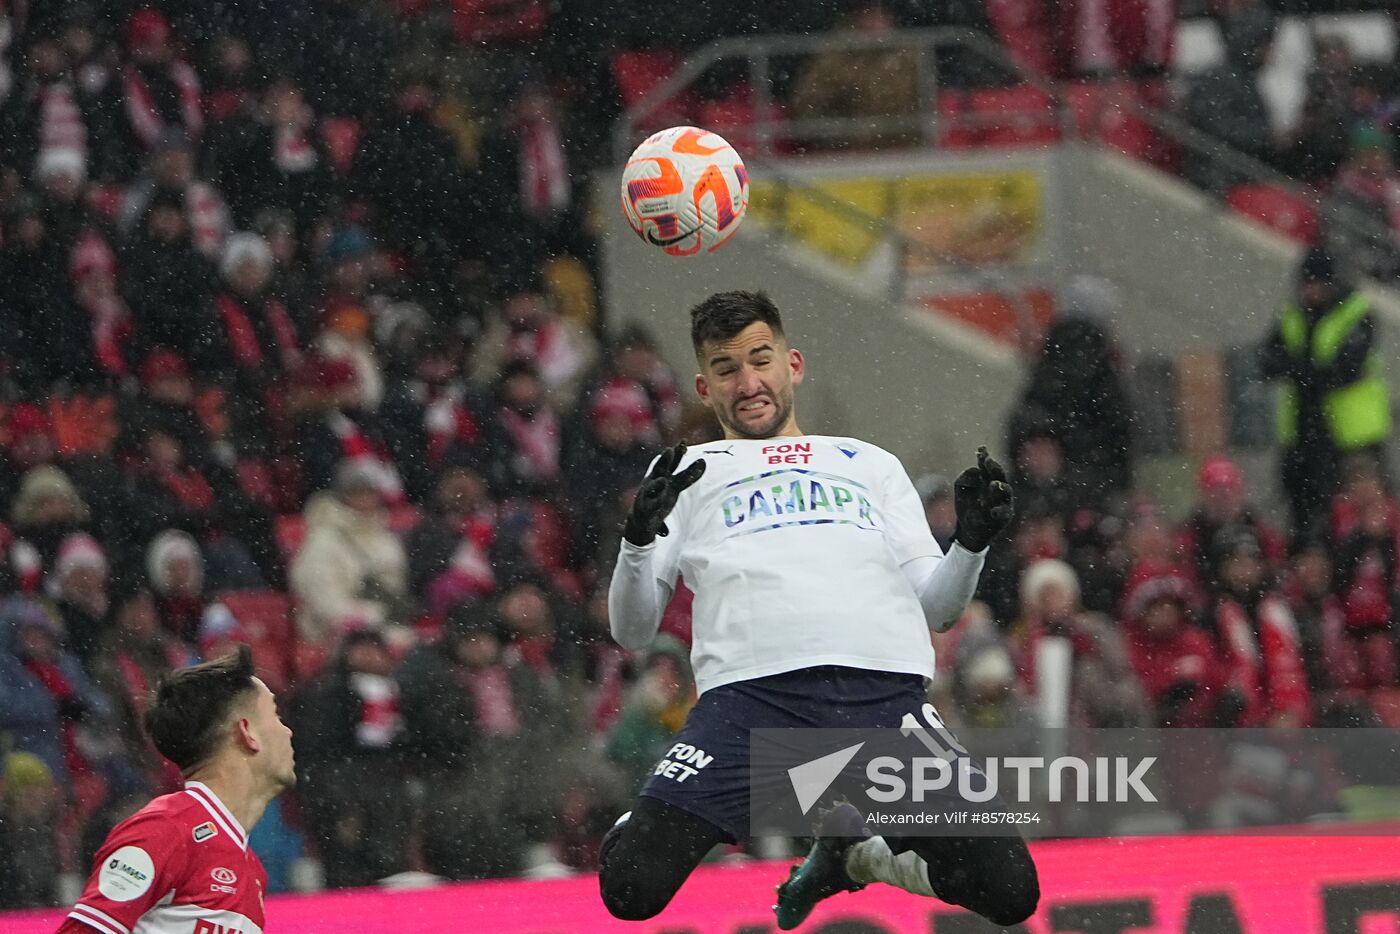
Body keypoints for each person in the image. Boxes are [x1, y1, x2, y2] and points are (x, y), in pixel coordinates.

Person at [599, 291, 1038, 928]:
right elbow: (632, 631)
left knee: (1010, 890)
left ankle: (860, 857)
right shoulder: (689, 472)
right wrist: (636, 539)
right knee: (630, 890)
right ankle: (653, 811)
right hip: (750, 708)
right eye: (726, 369)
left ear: (793, 364)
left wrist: (970, 543)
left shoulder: (871, 465)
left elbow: (939, 611)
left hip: (886, 706)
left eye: (760, 359)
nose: (747, 382)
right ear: (704, 386)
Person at [57, 644, 295, 934]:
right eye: (276, 714)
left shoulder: (250, 867)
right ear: (247, 732)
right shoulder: (165, 829)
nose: (288, 730)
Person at [1259, 247, 1391, 535]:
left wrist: (1296, 368)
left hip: (1352, 438)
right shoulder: (1293, 314)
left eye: (1320, 283)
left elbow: (1343, 371)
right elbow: (1266, 361)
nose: (1314, 291)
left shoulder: (1357, 313)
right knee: (1304, 514)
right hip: (1304, 433)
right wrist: (1307, 370)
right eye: (1308, 283)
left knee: (1361, 518)